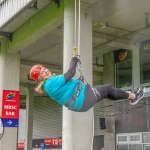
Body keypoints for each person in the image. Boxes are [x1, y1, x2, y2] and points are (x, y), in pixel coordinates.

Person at [29, 57, 144, 112]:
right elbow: (70, 73)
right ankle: (133, 97)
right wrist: (73, 60)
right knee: (108, 88)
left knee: (105, 93)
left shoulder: (49, 84)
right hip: (82, 98)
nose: (45, 71)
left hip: (81, 101)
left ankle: (129, 95)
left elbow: (67, 84)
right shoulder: (50, 83)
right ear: (40, 78)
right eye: (42, 73)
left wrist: (78, 83)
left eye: (44, 69)